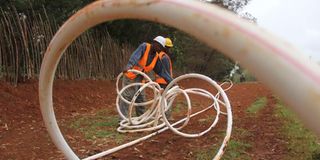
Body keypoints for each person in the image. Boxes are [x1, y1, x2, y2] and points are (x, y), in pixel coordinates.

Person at [119, 36, 173, 119]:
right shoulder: (144, 47)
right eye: (159, 47)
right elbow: (135, 56)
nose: (160, 50)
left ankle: (140, 119)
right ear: (154, 43)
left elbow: (162, 71)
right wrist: (129, 65)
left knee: (141, 99)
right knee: (127, 97)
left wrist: (171, 81)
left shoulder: (156, 57)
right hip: (131, 76)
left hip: (141, 78)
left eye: (161, 48)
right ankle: (122, 120)